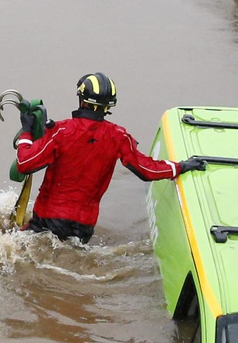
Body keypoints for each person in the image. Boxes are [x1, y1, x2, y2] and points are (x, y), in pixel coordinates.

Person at [9, 72, 178, 242]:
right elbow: (146, 170)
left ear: (81, 100)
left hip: (47, 219)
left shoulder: (60, 131)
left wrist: (27, 132)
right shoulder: (119, 136)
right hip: (84, 226)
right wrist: (180, 167)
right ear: (109, 106)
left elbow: (24, 163)